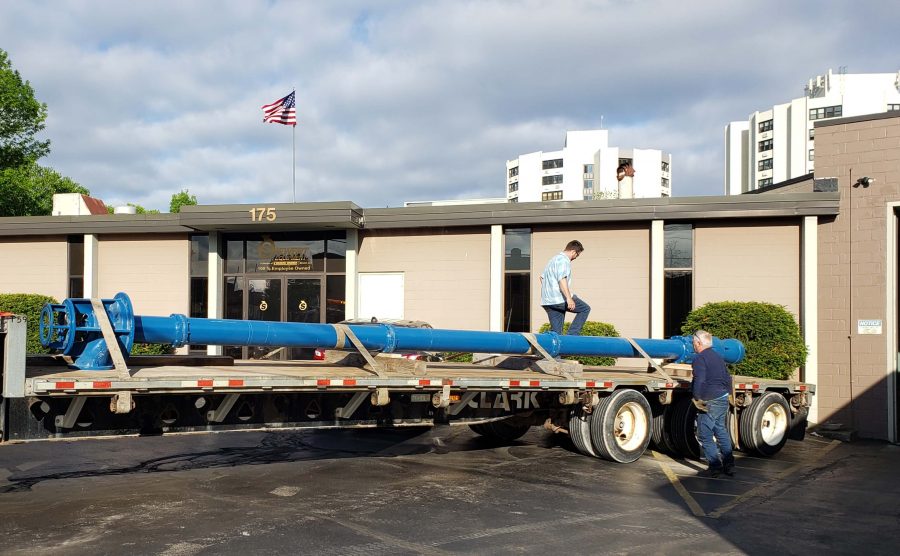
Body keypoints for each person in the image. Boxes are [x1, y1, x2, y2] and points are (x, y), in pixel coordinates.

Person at [691, 330, 735, 478]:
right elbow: (728, 378)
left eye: (693, 342)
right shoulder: (718, 357)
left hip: (710, 399)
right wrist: (728, 394)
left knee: (704, 434)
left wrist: (697, 397)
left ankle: (715, 466)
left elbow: (700, 379)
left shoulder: (699, 358)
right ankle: (729, 465)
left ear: (698, 343)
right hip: (722, 397)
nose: (693, 345)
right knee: (721, 430)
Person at [539, 240, 590, 335]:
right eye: (577, 255)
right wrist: (569, 299)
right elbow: (562, 279)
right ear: (574, 252)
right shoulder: (564, 260)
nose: (575, 258)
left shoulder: (553, 260)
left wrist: (550, 291)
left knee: (556, 334)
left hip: (547, 301)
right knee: (585, 309)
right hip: (559, 300)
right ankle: (572, 336)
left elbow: (542, 278)